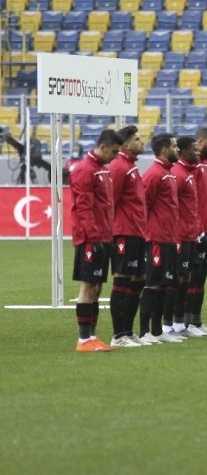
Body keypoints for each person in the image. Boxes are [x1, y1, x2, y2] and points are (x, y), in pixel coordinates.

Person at [70, 129, 123, 352]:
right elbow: (83, 208)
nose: (116, 156)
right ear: (103, 147)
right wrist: (94, 237)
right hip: (90, 239)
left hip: (104, 235)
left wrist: (107, 235)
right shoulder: (85, 170)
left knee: (98, 287)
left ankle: (92, 336)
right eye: (114, 151)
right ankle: (83, 340)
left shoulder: (103, 169)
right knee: (88, 286)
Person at [108, 125, 148, 347]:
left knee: (137, 280)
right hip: (124, 232)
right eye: (137, 139)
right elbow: (110, 202)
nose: (142, 142)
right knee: (122, 280)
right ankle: (118, 336)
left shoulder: (130, 166)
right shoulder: (118, 167)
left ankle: (128, 332)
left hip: (138, 232)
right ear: (125, 144)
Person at [140, 132, 181, 343]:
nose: (178, 150)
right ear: (165, 150)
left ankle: (157, 331)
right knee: (153, 284)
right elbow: (143, 205)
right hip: (156, 239)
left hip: (170, 238)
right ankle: (144, 331)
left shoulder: (170, 173)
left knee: (165, 284)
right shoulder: (154, 174)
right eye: (175, 146)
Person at [169, 135, 205, 337]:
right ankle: (169, 325)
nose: (198, 152)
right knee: (177, 280)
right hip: (179, 236)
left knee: (186, 279)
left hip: (190, 234)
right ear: (182, 152)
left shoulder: (190, 173)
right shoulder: (178, 174)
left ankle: (180, 324)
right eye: (194, 149)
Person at [187, 127, 207, 335]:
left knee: (201, 277)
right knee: (192, 277)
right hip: (196, 232)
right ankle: (187, 322)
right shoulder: (193, 166)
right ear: (199, 143)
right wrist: (199, 229)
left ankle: (196, 321)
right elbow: (192, 202)